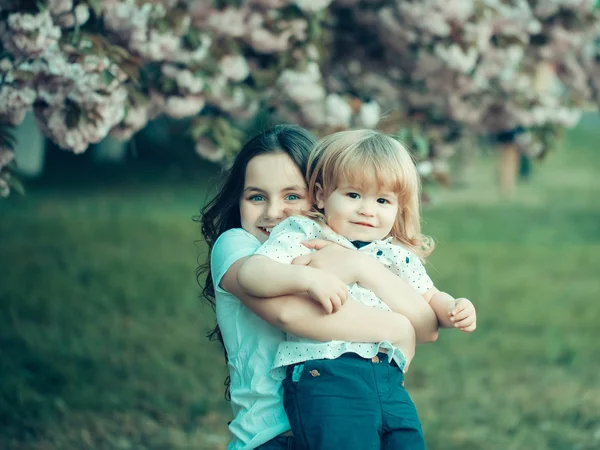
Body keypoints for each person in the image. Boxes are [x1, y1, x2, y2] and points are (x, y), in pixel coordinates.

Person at [199, 125, 439, 450]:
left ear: (321, 194)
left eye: (292, 196)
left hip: (355, 415)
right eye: (256, 197)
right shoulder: (237, 246)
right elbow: (289, 313)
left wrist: (361, 266)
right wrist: (399, 329)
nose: (273, 212)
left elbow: (427, 326)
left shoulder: (336, 247)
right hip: (273, 439)